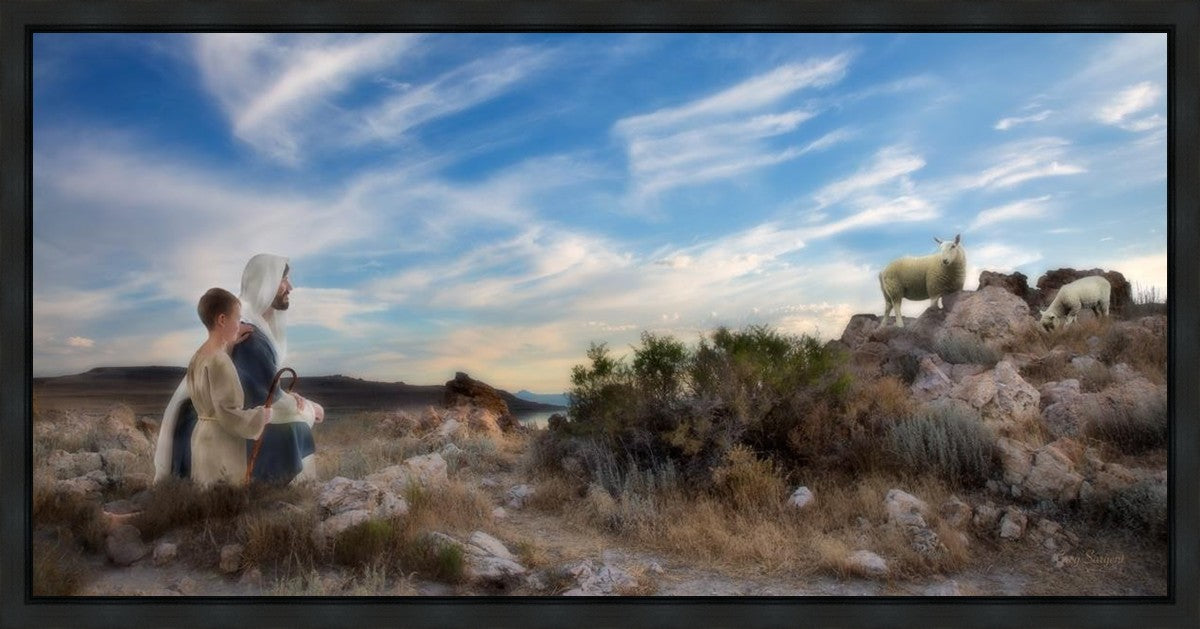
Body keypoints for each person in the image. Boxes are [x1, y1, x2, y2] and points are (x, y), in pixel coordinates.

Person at [153, 254, 324, 486]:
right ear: (266, 282)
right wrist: (310, 410)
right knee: (298, 431)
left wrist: (289, 400)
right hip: (224, 432)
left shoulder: (235, 335)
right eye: (284, 279)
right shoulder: (250, 337)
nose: (290, 286)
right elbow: (259, 400)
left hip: (204, 428)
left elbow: (260, 386)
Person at [185, 288, 272, 487]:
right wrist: (262, 416)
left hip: (201, 438)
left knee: (204, 496)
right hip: (220, 442)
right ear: (222, 320)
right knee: (223, 500)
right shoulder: (221, 361)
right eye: (238, 319)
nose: (240, 324)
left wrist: (229, 343)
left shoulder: (198, 356)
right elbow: (228, 414)